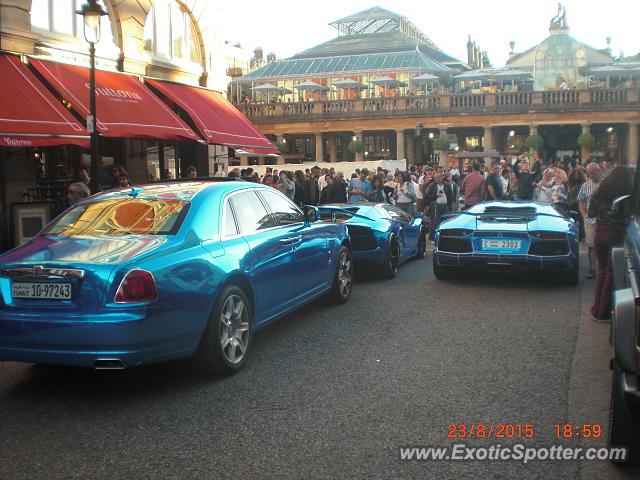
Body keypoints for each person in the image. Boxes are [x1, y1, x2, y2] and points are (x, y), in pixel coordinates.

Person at [588, 166, 633, 321]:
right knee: (611, 272)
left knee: (601, 271)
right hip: (616, 233)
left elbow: (591, 213)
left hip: (600, 232)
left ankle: (596, 310)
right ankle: (603, 312)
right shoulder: (626, 195)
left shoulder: (600, 192)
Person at [577, 163, 603, 279]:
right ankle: (592, 269)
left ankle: (603, 268)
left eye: (593, 172)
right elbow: (581, 202)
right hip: (590, 220)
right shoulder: (585, 185)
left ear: (599, 171)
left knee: (603, 244)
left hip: (604, 219)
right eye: (589, 173)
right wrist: (585, 215)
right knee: (591, 245)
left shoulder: (605, 184)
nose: (591, 175)